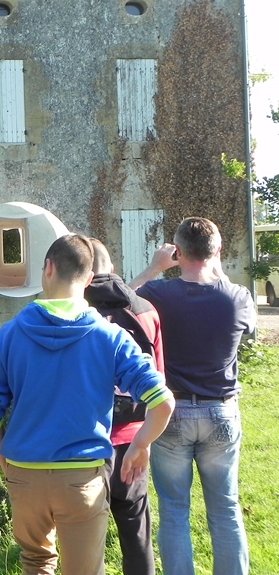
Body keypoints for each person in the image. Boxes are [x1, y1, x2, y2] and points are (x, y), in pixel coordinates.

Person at [0, 233, 174, 575]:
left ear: (48, 268)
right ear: (89, 279)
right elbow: (163, 401)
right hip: (82, 479)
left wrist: (5, 462)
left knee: (35, 564)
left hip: (24, 475)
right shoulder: (111, 337)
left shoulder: (8, 334)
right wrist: (140, 444)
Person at [130, 217, 256, 575]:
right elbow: (249, 327)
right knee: (226, 509)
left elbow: (119, 301)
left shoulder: (158, 294)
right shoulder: (237, 296)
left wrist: (154, 267)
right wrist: (217, 268)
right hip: (221, 411)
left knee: (173, 512)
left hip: (170, 413)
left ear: (178, 252)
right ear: (217, 251)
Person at [85, 238, 165, 575]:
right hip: (134, 437)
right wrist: (145, 440)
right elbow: (158, 379)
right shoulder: (145, 310)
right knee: (136, 533)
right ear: (112, 267)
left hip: (87, 439)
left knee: (87, 539)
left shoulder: (74, 310)